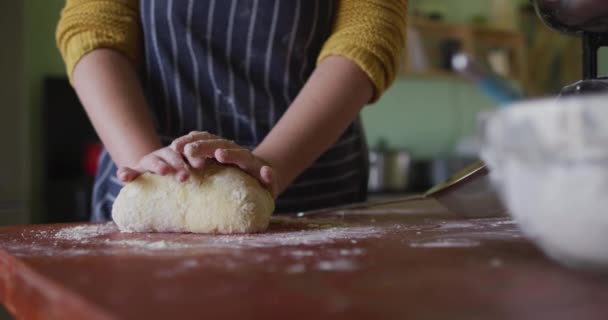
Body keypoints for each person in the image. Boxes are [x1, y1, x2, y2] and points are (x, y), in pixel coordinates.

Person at [56, 0, 408, 221]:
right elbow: (93, 28)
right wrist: (149, 164)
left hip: (307, 186)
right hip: (144, 170)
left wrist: (270, 168)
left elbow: (366, 36)